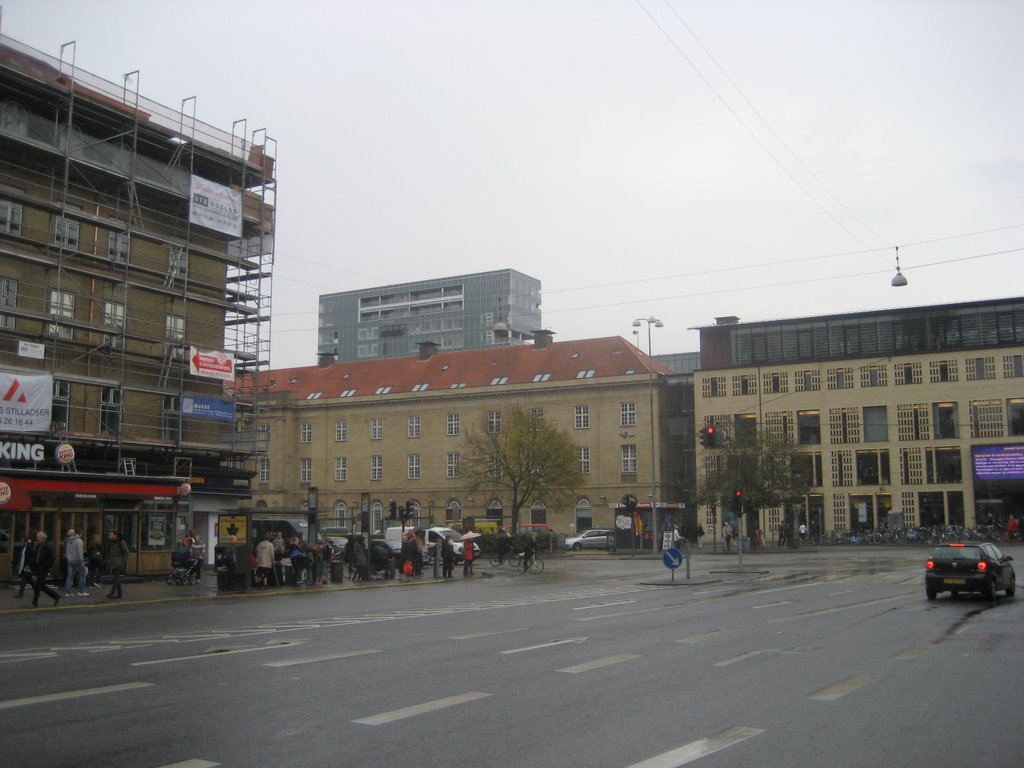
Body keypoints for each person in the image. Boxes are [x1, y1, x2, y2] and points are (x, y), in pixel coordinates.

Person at [29, 531, 61, 608]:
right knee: (42, 586)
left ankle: (35, 603)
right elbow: (35, 556)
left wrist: (44, 566)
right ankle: (56, 596)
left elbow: (52, 558)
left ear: (43, 538)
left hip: (44, 568)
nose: (37, 539)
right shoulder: (39, 546)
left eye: (38, 537)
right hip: (38, 568)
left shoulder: (48, 546)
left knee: (38, 585)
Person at [64, 528, 88, 596]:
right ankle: (81, 591)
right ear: (80, 533)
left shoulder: (69, 540)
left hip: (70, 560)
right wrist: (81, 562)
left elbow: (67, 550)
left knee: (70, 576)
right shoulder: (79, 541)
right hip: (77, 561)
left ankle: (67, 592)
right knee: (82, 575)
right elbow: (79, 552)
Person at [105, 530, 129, 599]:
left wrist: (122, 561)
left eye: (111, 535)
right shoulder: (111, 542)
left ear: (115, 535)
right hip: (113, 563)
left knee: (116, 579)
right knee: (116, 578)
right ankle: (119, 594)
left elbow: (126, 552)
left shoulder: (121, 542)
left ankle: (112, 593)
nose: (109, 536)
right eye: (109, 535)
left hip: (118, 563)